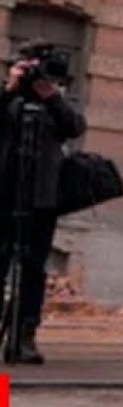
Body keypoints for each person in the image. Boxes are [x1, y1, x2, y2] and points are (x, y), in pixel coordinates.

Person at [0, 38, 85, 364]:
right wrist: (9, 89)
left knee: (33, 269)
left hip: (41, 200)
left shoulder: (55, 101)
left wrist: (52, 97)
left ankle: (24, 337)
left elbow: (74, 127)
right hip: (5, 196)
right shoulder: (8, 98)